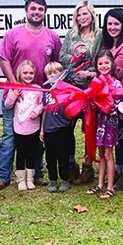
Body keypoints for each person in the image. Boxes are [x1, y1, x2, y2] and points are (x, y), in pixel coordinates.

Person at [0, 0, 62, 190]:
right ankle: (3, 175)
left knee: (38, 137)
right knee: (9, 136)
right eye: (33, 9)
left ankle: (36, 174)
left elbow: (56, 64)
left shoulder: (52, 37)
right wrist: (15, 85)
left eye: (40, 9)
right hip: (15, 96)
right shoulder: (13, 34)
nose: (37, 12)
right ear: (26, 11)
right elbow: (3, 59)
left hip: (39, 98)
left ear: (45, 12)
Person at [95, 7, 123, 192]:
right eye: (109, 23)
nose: (112, 27)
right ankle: (118, 171)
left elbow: (115, 71)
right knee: (117, 135)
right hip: (109, 98)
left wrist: (91, 75)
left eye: (116, 24)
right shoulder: (108, 45)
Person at [60, 0, 98, 184]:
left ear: (92, 15)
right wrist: (76, 58)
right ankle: (70, 164)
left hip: (90, 88)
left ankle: (88, 167)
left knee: (89, 128)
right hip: (72, 87)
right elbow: (62, 56)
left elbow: (101, 59)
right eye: (79, 14)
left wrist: (89, 70)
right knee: (67, 127)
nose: (82, 17)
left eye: (85, 14)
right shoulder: (71, 34)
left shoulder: (99, 35)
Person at [3, 60, 44, 191]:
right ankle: (21, 179)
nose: (28, 75)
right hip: (19, 127)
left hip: (33, 127)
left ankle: (30, 179)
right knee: (20, 153)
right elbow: (8, 105)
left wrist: (35, 111)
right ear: (19, 74)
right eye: (25, 73)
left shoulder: (38, 89)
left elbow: (42, 105)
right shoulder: (15, 88)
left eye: (31, 73)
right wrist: (13, 95)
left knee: (32, 153)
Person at [86, 50, 121, 200]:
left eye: (106, 62)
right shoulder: (95, 82)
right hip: (98, 122)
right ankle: (100, 184)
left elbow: (118, 105)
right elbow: (90, 100)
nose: (103, 66)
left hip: (110, 123)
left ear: (112, 63)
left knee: (108, 154)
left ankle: (110, 187)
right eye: (100, 63)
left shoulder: (116, 83)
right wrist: (92, 104)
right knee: (101, 154)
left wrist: (103, 105)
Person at [41, 61, 74, 193]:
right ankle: (53, 179)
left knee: (63, 155)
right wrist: (42, 129)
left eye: (56, 73)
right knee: (50, 156)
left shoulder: (67, 91)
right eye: (50, 74)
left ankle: (65, 178)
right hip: (49, 129)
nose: (53, 76)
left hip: (63, 128)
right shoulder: (46, 92)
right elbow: (44, 111)